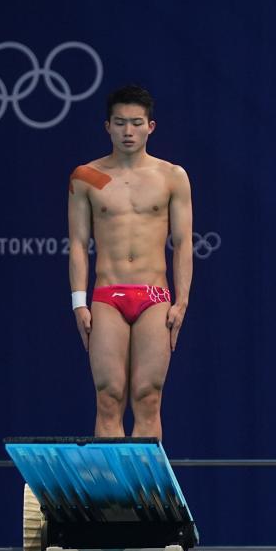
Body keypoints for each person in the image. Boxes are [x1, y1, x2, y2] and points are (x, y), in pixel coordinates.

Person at [67, 84, 192, 439]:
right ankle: (113, 495)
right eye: (120, 123)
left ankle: (144, 495)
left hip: (155, 296)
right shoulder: (86, 176)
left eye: (136, 123)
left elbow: (183, 243)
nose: (128, 131)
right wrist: (78, 302)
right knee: (108, 397)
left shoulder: (172, 176)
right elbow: (78, 242)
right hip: (107, 295)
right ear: (107, 126)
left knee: (148, 397)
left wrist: (181, 302)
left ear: (151, 126)